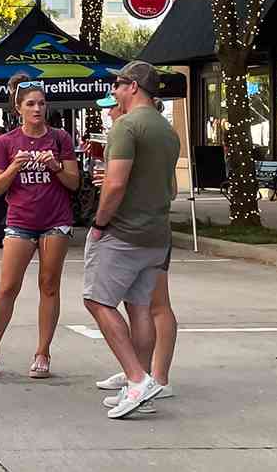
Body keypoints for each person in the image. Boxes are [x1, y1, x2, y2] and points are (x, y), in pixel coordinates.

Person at [83, 61, 179, 418]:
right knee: (139, 307)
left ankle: (137, 378)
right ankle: (140, 385)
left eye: (118, 85)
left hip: (123, 230)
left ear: (134, 86)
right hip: (157, 232)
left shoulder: (126, 126)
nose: (114, 91)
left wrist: (99, 221)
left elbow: (117, 183)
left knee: (97, 300)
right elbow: (169, 187)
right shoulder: (168, 131)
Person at [0, 75, 79, 380]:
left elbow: (74, 183)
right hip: (20, 221)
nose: (37, 109)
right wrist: (14, 167)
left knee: (49, 285)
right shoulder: (6, 142)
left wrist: (56, 167)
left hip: (55, 221)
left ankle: (42, 352)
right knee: (8, 286)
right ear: (19, 108)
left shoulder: (60, 138)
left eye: (41, 103)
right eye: (31, 104)